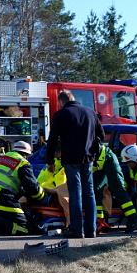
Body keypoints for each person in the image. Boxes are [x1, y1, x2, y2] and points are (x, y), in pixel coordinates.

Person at [46, 90, 104, 239]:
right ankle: (91, 229)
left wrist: (50, 160)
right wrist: (93, 149)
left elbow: (52, 140)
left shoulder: (60, 115)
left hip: (71, 159)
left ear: (61, 102)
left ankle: (77, 230)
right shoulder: (91, 112)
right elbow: (101, 136)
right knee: (89, 193)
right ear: (73, 98)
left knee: (75, 193)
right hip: (88, 158)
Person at [0, 141, 43, 236]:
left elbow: (8, 182)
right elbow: (31, 187)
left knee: (8, 214)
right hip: (0, 196)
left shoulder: (1, 159)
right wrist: (41, 196)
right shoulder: (23, 162)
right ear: (26, 154)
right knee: (27, 227)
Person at [93, 143, 137, 233]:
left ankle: (133, 220)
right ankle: (100, 221)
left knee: (119, 190)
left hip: (107, 158)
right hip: (97, 164)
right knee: (96, 190)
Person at [36, 153, 70, 227]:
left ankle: (69, 224)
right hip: (44, 190)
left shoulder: (57, 163)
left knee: (63, 195)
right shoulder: (55, 163)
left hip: (43, 189)